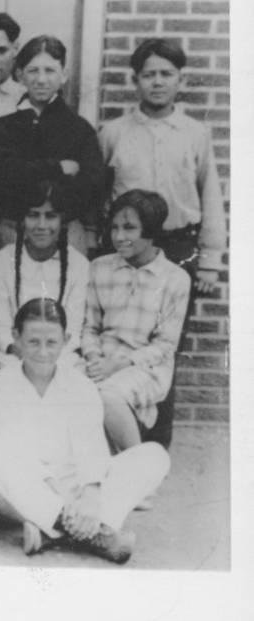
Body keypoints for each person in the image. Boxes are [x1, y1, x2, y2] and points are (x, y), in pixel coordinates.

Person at [0, 298, 171, 563]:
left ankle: (55, 532)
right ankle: (95, 533)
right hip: (26, 494)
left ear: (66, 340)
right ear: (16, 337)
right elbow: (16, 456)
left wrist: (88, 497)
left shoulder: (80, 386)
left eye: (51, 342)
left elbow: (92, 452)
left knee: (154, 455)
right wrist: (65, 505)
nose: (43, 352)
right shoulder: (0, 386)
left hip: (76, 490)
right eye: (33, 342)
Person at [98, 38, 226, 295]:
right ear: (135, 81)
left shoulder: (195, 134)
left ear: (181, 80)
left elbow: (210, 197)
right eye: (149, 75)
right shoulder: (113, 134)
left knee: (171, 330)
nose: (157, 82)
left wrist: (210, 261)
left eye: (166, 74)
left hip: (179, 246)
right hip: (126, 248)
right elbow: (96, 196)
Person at [82, 190, 190, 452]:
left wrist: (121, 363)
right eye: (115, 228)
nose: (119, 237)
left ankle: (135, 466)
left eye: (129, 228)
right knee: (68, 391)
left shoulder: (175, 278)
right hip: (99, 361)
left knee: (108, 396)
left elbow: (165, 345)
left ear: (150, 230)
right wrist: (96, 359)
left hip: (147, 367)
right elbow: (90, 327)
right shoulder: (100, 267)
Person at [0, 35, 103, 254]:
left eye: (50, 71)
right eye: (33, 71)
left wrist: (33, 178)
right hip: (13, 228)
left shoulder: (79, 129)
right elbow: (2, 176)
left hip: (65, 230)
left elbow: (90, 184)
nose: (41, 79)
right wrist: (57, 169)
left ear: (64, 75)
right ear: (20, 76)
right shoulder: (4, 127)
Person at [0, 179, 90, 369]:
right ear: (22, 219)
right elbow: (1, 328)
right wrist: (23, 355)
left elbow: (74, 332)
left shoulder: (79, 265)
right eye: (33, 215)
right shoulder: (1, 262)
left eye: (50, 216)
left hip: (63, 358)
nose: (41, 225)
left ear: (62, 220)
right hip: (13, 358)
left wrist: (47, 357)